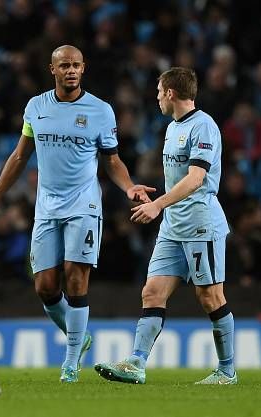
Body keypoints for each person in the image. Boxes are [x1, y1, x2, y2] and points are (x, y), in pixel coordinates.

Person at [0, 45, 155, 383]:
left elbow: (112, 160)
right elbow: (18, 157)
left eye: (76, 65)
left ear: (83, 69)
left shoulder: (100, 111)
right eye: (64, 65)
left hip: (83, 204)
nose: (71, 70)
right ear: (52, 69)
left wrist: (128, 187)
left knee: (75, 278)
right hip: (47, 207)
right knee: (44, 287)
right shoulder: (36, 107)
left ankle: (71, 362)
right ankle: (78, 336)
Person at [94, 67, 237, 385]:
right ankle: (136, 364)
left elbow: (197, 179)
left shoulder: (204, 126)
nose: (157, 97)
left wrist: (158, 204)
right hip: (173, 226)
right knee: (152, 292)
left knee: (210, 297)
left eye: (159, 92)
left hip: (201, 224)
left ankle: (227, 371)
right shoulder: (173, 128)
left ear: (171, 93)